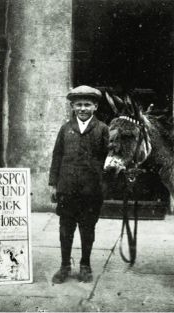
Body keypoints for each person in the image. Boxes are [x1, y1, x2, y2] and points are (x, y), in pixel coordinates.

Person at [49, 85, 109, 284]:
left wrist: (103, 184)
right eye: (78, 105)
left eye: (87, 105)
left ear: (95, 107)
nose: (83, 108)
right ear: (73, 107)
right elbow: (57, 156)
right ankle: (65, 265)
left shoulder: (102, 129)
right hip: (67, 188)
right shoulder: (66, 129)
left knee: (87, 228)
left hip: (91, 190)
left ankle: (85, 265)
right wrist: (53, 184)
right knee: (65, 228)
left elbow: (108, 159)